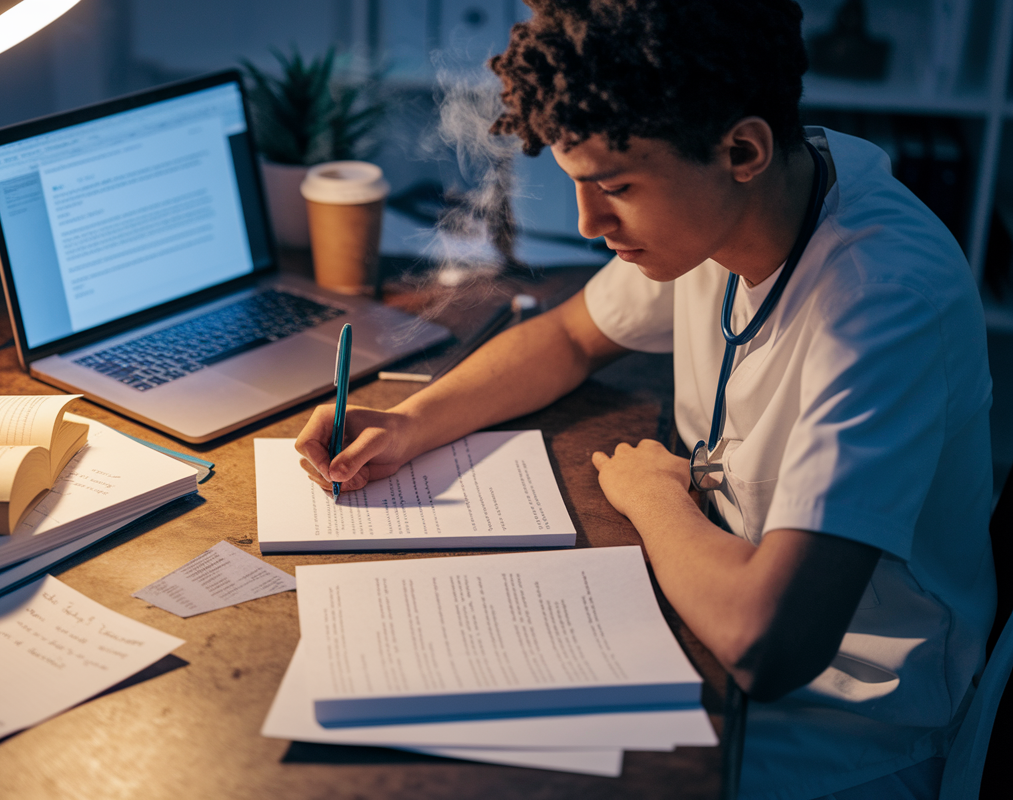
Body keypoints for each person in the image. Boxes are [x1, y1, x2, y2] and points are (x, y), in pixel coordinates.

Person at [293, 1, 997, 798]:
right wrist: (412, 421)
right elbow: (569, 336)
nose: (592, 224)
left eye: (615, 188)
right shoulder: (728, 213)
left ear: (741, 148)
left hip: (845, 736)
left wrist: (657, 498)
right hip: (702, 635)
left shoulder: (883, 302)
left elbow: (770, 645)